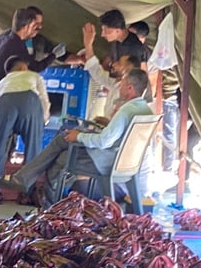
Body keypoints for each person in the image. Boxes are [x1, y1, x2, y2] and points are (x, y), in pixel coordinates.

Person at [9, 69, 153, 207]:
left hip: (106, 162)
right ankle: (36, 191)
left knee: (61, 157)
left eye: (122, 84)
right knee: (62, 146)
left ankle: (38, 194)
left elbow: (104, 141)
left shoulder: (126, 110)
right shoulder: (145, 110)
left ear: (130, 88)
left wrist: (79, 136)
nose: (119, 87)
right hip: (122, 162)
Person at [0, 57, 49, 203]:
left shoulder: (1, 83)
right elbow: (44, 99)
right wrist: (42, 121)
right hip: (31, 101)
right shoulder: (34, 76)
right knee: (33, 148)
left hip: (5, 102)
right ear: (23, 67)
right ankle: (27, 192)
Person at [0, 7, 63, 95]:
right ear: (26, 27)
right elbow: (34, 68)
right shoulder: (16, 46)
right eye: (35, 26)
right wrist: (54, 55)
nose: (39, 28)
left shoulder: (2, 39)